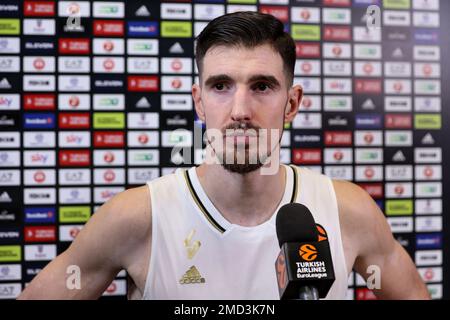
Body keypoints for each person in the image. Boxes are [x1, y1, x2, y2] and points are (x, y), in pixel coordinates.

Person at [18, 11, 429, 300]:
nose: (240, 111)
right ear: (199, 102)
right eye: (220, 86)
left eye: (262, 86)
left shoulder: (347, 211)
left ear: (291, 103)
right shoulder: (138, 216)